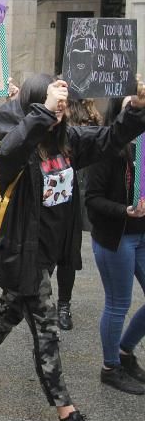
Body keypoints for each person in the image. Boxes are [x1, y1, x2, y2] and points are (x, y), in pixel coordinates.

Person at [0, 74, 145, 421]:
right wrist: (45, 110)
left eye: (61, 104)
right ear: (33, 106)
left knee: (10, 311)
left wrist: (136, 109)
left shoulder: (68, 141)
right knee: (47, 334)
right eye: (50, 104)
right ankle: (67, 414)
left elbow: (109, 139)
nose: (60, 110)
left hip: (51, 250)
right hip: (20, 251)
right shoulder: (11, 141)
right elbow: (11, 152)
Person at [84, 95, 145, 395]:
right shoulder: (107, 149)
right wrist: (125, 211)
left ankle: (124, 351)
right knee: (118, 303)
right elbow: (91, 199)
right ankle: (110, 367)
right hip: (116, 237)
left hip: (142, 235)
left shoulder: (143, 148)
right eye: (132, 108)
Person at [53, 98, 104, 330]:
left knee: (68, 253)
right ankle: (36, 302)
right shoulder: (55, 111)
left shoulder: (91, 111)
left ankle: (63, 304)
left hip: (71, 192)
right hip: (48, 195)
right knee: (41, 257)